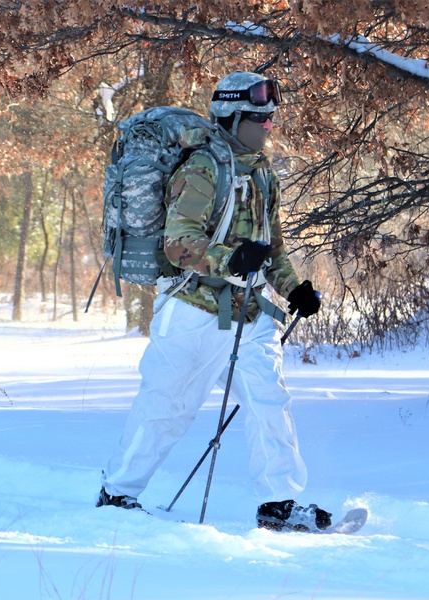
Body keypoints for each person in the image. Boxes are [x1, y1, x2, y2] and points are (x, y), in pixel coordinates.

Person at [97, 71, 329, 531]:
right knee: (168, 405)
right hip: (194, 311)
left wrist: (293, 288)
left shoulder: (262, 172)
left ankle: (278, 504)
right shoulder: (203, 168)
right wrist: (231, 259)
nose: (268, 124)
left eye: (270, 117)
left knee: (269, 401)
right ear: (233, 116)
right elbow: (177, 244)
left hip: (251, 311)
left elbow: (272, 246)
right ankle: (118, 493)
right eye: (259, 117)